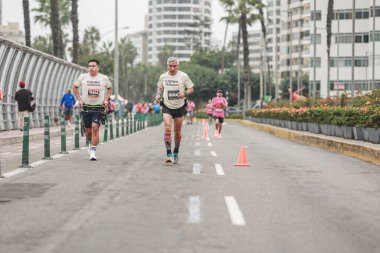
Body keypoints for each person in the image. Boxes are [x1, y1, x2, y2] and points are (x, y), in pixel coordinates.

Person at [155, 56, 194, 164]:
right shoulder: (163, 76)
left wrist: (184, 93)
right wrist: (158, 94)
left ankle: (176, 150)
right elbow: (159, 87)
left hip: (180, 107)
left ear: (178, 66)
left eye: (174, 66)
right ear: (167, 66)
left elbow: (191, 88)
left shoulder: (183, 76)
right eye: (170, 66)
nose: (172, 68)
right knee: (167, 128)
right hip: (167, 105)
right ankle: (168, 154)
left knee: (177, 131)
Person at [73, 59, 112, 161]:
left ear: (98, 68)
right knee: (88, 131)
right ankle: (90, 142)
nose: (91, 68)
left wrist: (106, 99)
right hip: (86, 108)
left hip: (98, 108)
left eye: (93, 66)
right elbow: (74, 87)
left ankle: (93, 152)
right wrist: (80, 100)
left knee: (95, 128)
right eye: (89, 66)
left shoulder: (103, 78)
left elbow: (110, 89)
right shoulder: (83, 77)